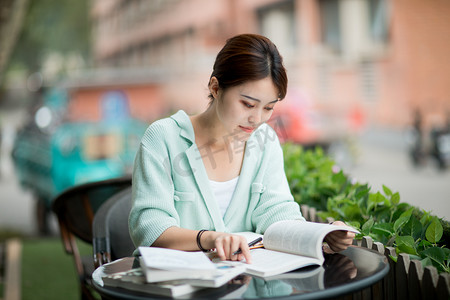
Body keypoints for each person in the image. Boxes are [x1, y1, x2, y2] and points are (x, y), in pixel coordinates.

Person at [129, 33, 355, 264]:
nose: (256, 119)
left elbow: (277, 212)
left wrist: (322, 235)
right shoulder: (163, 138)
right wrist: (210, 239)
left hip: (247, 283)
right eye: (248, 104)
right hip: (176, 286)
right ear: (215, 88)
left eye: (268, 108)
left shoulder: (264, 140)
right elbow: (149, 228)